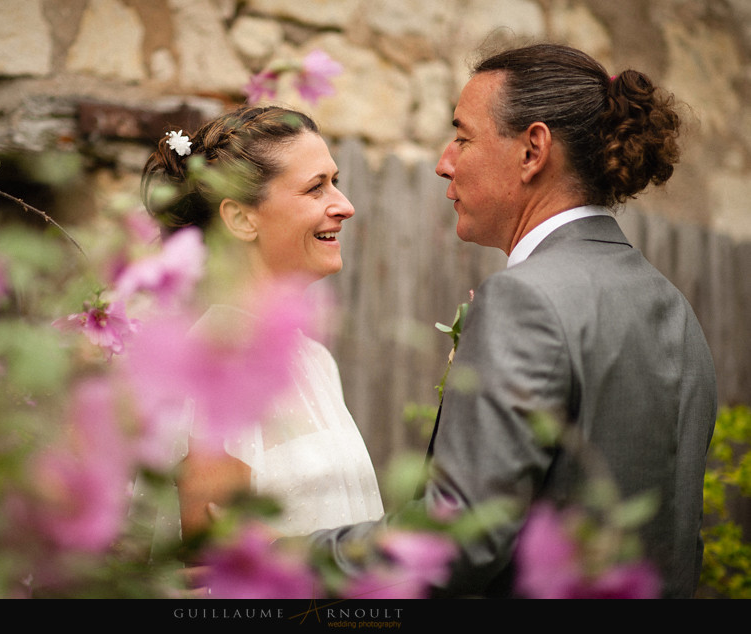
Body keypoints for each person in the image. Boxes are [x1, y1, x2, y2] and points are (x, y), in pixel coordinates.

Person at [310, 43, 717, 599]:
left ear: (532, 150)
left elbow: (462, 539)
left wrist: (282, 559)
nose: (443, 162)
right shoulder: (677, 312)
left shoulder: (524, 299)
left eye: (462, 137)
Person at [138, 105, 384, 540]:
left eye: (335, 182)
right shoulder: (213, 371)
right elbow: (213, 569)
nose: (345, 206)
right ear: (241, 218)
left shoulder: (316, 361)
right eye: (315, 188)